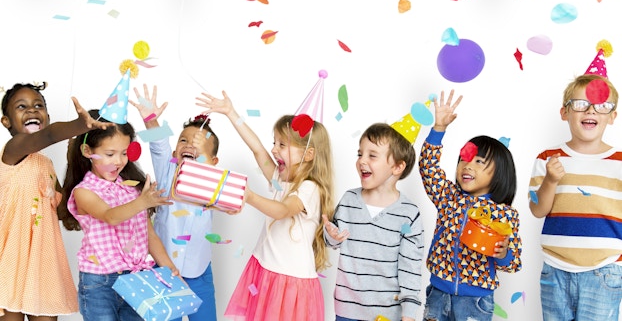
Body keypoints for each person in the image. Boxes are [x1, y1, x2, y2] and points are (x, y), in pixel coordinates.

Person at [196, 90, 335, 321]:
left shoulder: (310, 189)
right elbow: (257, 149)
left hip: (290, 282)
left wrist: (250, 197)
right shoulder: (281, 181)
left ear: (308, 154)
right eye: (275, 142)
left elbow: (282, 211)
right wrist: (231, 113)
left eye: (282, 144)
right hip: (267, 271)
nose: (274, 149)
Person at [0, 82, 110, 321]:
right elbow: (48, 136)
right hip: (11, 258)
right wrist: (79, 125)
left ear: (47, 117)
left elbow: (63, 210)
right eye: (22, 106)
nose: (32, 110)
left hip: (42, 259)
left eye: (38, 105)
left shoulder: (45, 164)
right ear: (6, 121)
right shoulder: (12, 150)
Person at [59, 109, 178, 321]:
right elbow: (110, 216)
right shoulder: (84, 191)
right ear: (87, 151)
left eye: (124, 153)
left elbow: (148, 234)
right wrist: (142, 202)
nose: (119, 161)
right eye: (110, 154)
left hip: (137, 278)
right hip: (99, 283)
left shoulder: (131, 189)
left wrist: (168, 266)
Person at [418, 90, 522, 321]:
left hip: (476, 302)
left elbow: (513, 263)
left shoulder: (504, 214)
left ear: (499, 172)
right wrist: (438, 130)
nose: (468, 166)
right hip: (438, 293)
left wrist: (504, 253)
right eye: (464, 159)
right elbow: (428, 169)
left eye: (478, 162)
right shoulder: (448, 198)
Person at [529, 74, 622, 321]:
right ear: (565, 112)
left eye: (602, 105)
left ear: (612, 116)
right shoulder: (548, 158)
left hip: (604, 270)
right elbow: (537, 210)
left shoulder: (620, 163)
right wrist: (550, 180)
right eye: (581, 103)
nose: (591, 110)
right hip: (555, 269)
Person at [130, 84, 222, 321]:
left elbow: (232, 203)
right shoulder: (167, 171)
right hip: (163, 269)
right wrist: (150, 120)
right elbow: (158, 146)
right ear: (175, 151)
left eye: (198, 144)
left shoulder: (216, 183)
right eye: (183, 141)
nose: (189, 145)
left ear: (213, 162)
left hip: (199, 271)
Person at [323, 122, 425, 321]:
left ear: (397, 166)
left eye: (372, 155)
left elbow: (410, 268)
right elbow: (332, 242)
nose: (362, 161)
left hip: (386, 314)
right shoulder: (349, 200)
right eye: (360, 154)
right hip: (347, 310)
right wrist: (331, 235)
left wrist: (409, 315)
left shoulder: (409, 214)